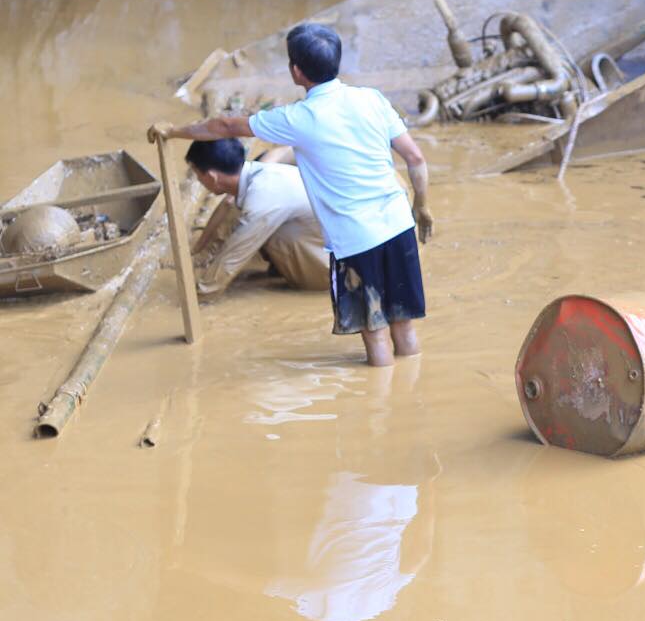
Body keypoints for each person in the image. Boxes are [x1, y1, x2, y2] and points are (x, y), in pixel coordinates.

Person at [151, 22, 434, 366]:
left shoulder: (298, 118)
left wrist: (175, 131)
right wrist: (421, 206)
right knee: (403, 326)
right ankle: (411, 394)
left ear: (296, 71)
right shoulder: (370, 98)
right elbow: (415, 158)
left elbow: (225, 126)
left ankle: (382, 410)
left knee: (374, 332)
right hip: (398, 224)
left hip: (357, 240)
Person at [183, 140, 329, 295]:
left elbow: (233, 257)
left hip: (332, 271)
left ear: (212, 177)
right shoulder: (259, 174)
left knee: (267, 234)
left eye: (197, 174)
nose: (198, 180)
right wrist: (199, 249)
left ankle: (304, 280)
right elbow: (227, 205)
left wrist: (202, 294)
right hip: (326, 242)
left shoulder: (262, 197)